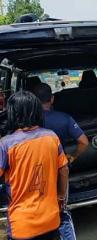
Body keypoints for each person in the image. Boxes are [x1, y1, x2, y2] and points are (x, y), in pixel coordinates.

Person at [0, 91, 69, 240]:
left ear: (11, 113)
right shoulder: (51, 136)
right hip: (51, 219)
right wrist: (61, 196)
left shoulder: (6, 144)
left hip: (22, 224)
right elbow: (64, 170)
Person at [33, 82, 89, 240]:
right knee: (61, 212)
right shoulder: (64, 119)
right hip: (59, 169)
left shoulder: (27, 123)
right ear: (52, 99)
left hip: (34, 172)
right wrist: (72, 156)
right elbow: (84, 141)